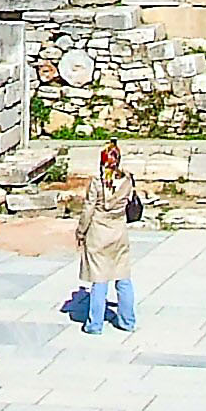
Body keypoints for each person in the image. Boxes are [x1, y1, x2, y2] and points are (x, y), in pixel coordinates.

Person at [76, 140, 138, 335]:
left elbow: (88, 209)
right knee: (123, 277)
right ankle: (127, 321)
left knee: (99, 279)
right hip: (119, 231)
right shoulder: (128, 180)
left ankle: (95, 324)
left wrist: (80, 231)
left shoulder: (97, 183)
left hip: (98, 232)